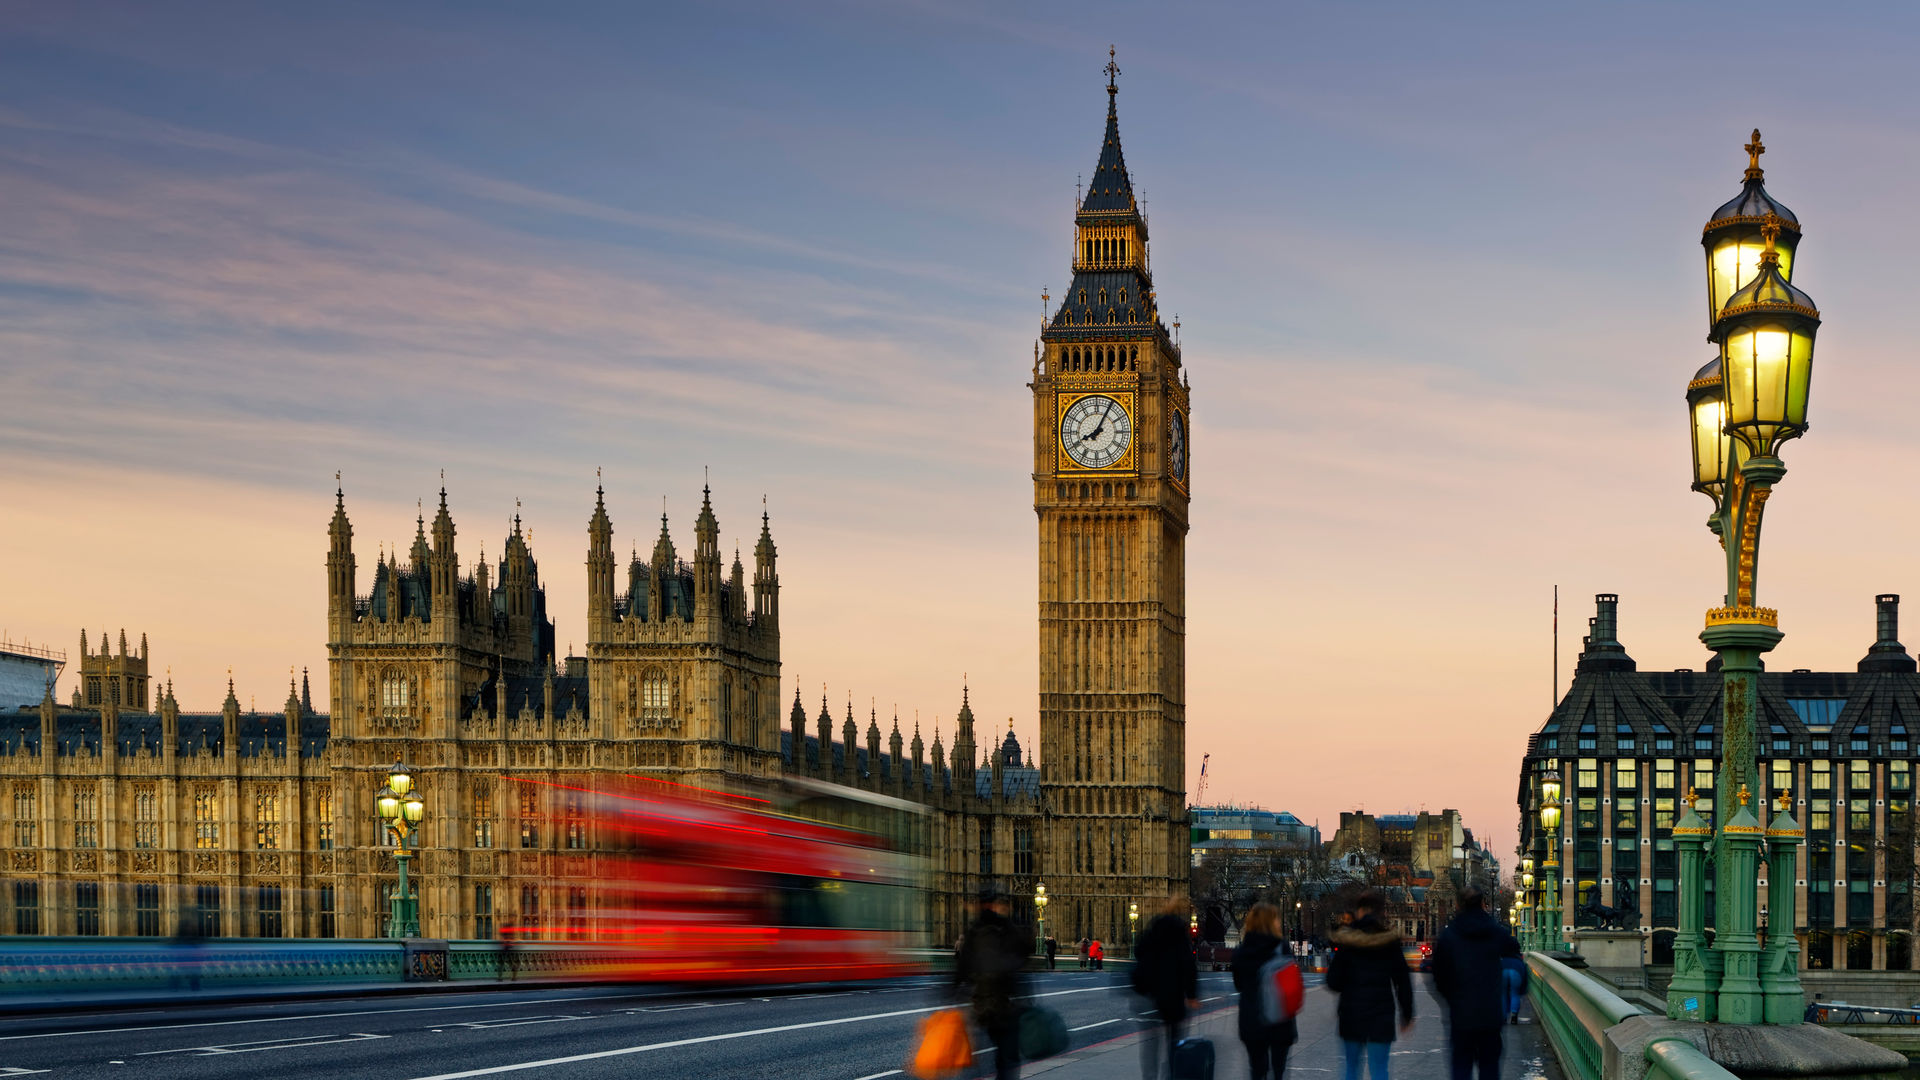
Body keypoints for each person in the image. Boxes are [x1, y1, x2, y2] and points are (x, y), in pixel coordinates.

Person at [1430, 887, 1522, 1080]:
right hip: (1490, 1013)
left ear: (1457, 905)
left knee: (1461, 1067)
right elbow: (1513, 946)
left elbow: (1437, 974)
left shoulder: (1449, 935)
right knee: (1489, 1068)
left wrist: (1452, 997)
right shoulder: (1495, 930)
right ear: (1483, 904)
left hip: (1461, 1014)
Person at [1326, 891, 1413, 1080]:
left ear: (1361, 910)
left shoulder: (1347, 941)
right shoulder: (1389, 941)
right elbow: (1402, 981)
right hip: (1381, 1015)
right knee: (1379, 1069)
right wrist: (1407, 1014)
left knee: (1351, 1068)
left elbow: (1333, 981)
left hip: (1351, 1013)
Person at [955, 885, 1029, 1080]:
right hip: (1005, 1003)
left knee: (978, 1053)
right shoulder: (1007, 927)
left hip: (983, 1004)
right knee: (1007, 1057)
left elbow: (962, 967)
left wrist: (950, 993)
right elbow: (1024, 954)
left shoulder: (975, 930)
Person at [1131, 897, 1200, 1080]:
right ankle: (1171, 1074)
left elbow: (1139, 953)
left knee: (1150, 1044)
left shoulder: (1152, 929)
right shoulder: (1179, 933)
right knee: (1174, 1040)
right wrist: (1191, 995)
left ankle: (1150, 1075)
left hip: (1149, 995)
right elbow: (1188, 964)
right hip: (1172, 995)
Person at [1231, 902, 1299, 1080]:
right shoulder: (1281, 947)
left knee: (1257, 1069)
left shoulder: (1241, 951)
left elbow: (1239, 985)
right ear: (1270, 922)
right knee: (1278, 1071)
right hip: (1279, 1017)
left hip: (1252, 1018)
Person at [1501, 954, 1528, 1025]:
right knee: (1515, 994)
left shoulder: (1502, 959)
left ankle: (1504, 1017)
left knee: (1503, 994)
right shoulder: (1519, 961)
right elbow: (1524, 976)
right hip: (1516, 971)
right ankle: (1514, 1017)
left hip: (1503, 969)